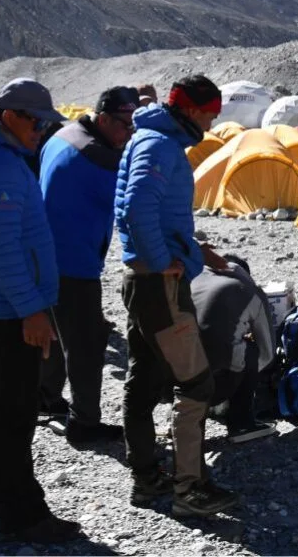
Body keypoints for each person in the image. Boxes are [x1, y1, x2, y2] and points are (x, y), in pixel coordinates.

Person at [0, 79, 79, 543]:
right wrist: (32, 309)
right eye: (36, 121)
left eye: (45, 123)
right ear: (9, 116)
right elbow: (4, 248)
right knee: (12, 415)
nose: (41, 130)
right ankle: (24, 515)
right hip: (9, 312)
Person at [116, 75, 239, 517]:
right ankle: (190, 488)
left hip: (143, 282)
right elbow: (136, 207)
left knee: (145, 378)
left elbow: (154, 212)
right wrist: (161, 258)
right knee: (196, 382)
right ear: (189, 109)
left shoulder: (149, 138)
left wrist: (194, 250)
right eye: (209, 114)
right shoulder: (160, 146)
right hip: (159, 285)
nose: (212, 122)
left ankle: (146, 476)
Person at [37, 86, 140, 442]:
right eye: (125, 125)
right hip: (75, 262)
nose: (129, 134)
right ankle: (84, 423)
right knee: (86, 344)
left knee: (53, 333)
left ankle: (46, 399)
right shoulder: (99, 160)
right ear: (105, 119)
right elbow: (132, 209)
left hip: (44, 253)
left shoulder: (63, 135)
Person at [190, 256, 278, 443]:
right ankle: (241, 423)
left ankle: (184, 422)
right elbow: (267, 353)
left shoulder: (194, 278)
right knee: (250, 351)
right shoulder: (249, 290)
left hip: (174, 383)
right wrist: (247, 380)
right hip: (213, 387)